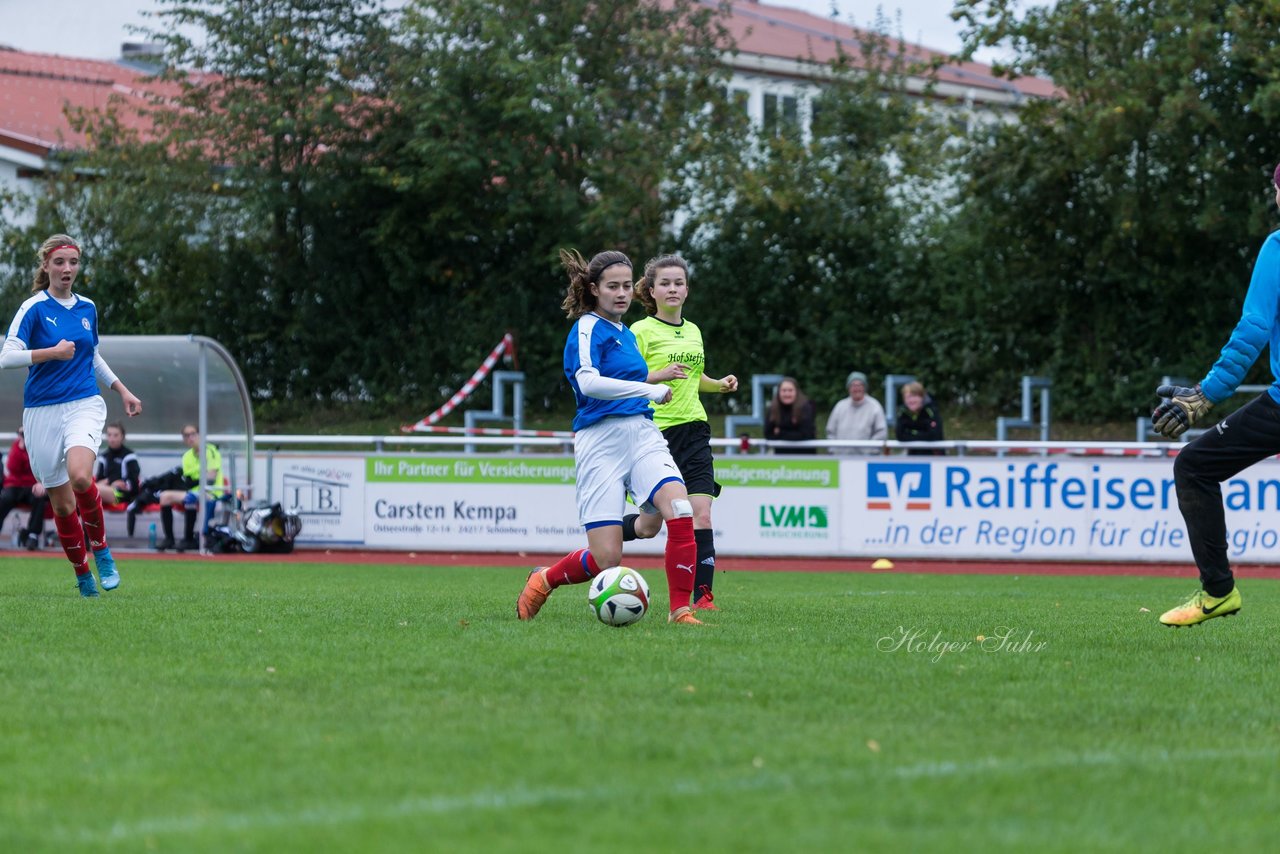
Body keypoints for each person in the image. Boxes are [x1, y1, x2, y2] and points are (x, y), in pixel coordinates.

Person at [516, 248, 703, 625]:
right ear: (594, 288)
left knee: (681, 510)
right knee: (606, 560)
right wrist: (648, 390)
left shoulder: (626, 335)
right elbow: (588, 382)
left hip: (642, 433)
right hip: (600, 442)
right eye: (612, 286)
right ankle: (543, 579)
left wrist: (655, 378)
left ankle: (681, 611)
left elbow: (627, 380)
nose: (621, 293)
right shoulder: (587, 327)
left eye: (625, 286)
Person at [1149, 161, 1280, 627]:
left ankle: (1219, 592)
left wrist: (1205, 396)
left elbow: (1254, 328)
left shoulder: (1278, 246)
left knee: (1194, 467)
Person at [0, 234, 142, 596]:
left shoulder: (87, 308)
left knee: (81, 478)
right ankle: (82, 574)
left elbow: (91, 354)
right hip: (41, 413)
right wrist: (49, 352)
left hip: (83, 403)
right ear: (46, 265)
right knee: (62, 505)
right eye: (59, 262)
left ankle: (103, 552)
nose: (67, 269)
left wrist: (121, 389)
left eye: (73, 262)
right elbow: (6, 356)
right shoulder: (33, 308)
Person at [623, 254, 738, 610]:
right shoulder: (639, 331)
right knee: (648, 528)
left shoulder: (694, 331)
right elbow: (624, 379)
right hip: (656, 435)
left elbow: (693, 378)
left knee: (701, 513)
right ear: (651, 290)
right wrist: (657, 377)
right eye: (665, 283)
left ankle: (703, 597)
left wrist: (719, 385)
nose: (672, 288)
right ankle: (607, 533)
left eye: (679, 283)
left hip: (695, 431)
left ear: (686, 290)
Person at [152, 424, 224, 552]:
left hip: (211, 492)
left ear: (200, 435)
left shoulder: (211, 451)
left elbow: (211, 477)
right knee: (164, 497)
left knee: (190, 497)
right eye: (186, 435)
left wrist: (197, 480)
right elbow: (189, 481)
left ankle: (188, 538)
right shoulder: (187, 456)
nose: (190, 438)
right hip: (194, 491)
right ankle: (169, 539)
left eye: (193, 434)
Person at [0, 428, 49, 550]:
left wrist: (42, 484)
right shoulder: (16, 447)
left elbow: (45, 468)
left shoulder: (39, 448)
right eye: (21, 434)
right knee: (5, 498)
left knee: (39, 497)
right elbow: (13, 468)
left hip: (33, 485)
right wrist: (21, 447)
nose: (23, 436)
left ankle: (33, 535)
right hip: (15, 485)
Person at [95, 421, 142, 534]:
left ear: (122, 437)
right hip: (104, 492)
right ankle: (87, 537)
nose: (112, 439)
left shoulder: (129, 456)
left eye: (115, 435)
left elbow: (133, 484)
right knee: (85, 494)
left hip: (123, 495)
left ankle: (94, 537)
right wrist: (112, 481)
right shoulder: (104, 456)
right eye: (109, 435)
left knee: (87, 490)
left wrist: (111, 483)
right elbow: (99, 480)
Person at [826, 371, 887, 455]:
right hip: (841, 459)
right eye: (853, 385)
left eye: (860, 385)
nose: (856, 388)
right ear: (849, 388)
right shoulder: (840, 406)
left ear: (865, 387)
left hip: (867, 460)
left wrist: (871, 452)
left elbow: (881, 433)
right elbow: (830, 432)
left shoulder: (874, 406)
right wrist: (834, 451)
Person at [764, 377, 817, 454]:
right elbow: (768, 434)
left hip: (805, 456)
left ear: (796, 392)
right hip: (781, 458)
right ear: (779, 392)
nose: (787, 394)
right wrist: (793, 433)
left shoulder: (806, 407)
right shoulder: (773, 409)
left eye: (790, 390)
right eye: (784, 390)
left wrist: (780, 432)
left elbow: (806, 434)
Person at [895, 381, 946, 455]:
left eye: (914, 396)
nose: (911, 400)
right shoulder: (903, 413)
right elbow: (900, 435)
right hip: (912, 457)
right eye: (908, 397)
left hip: (934, 458)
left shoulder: (931, 411)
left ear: (922, 397)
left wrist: (911, 433)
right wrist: (921, 433)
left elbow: (934, 435)